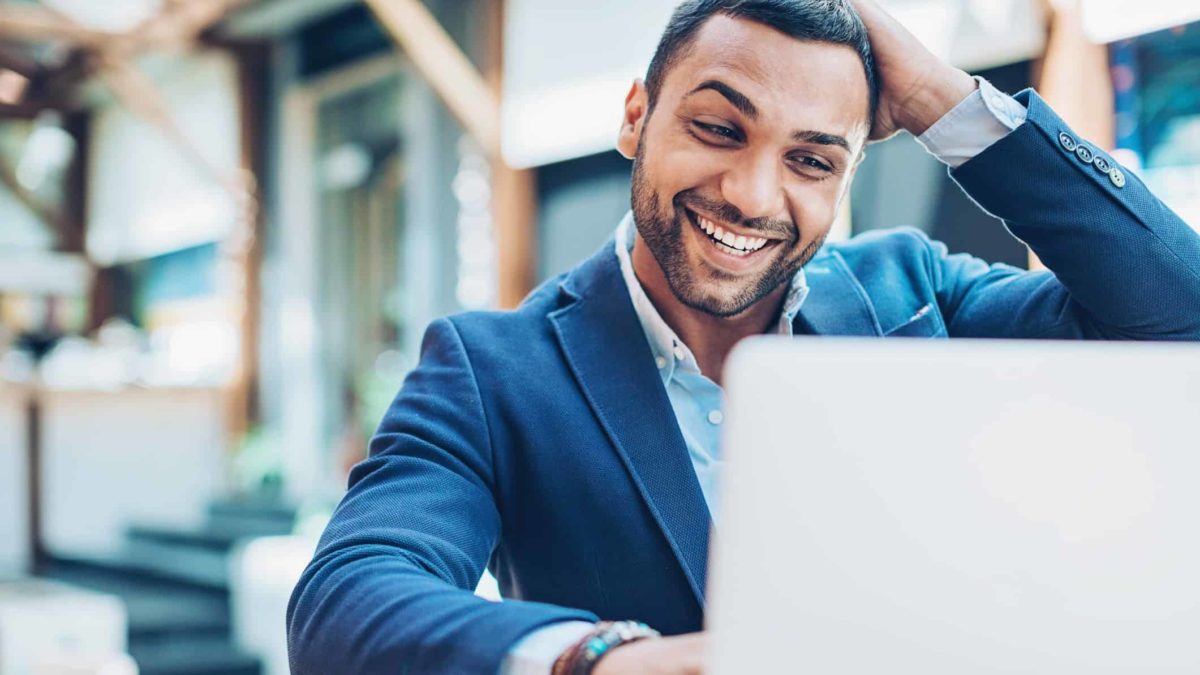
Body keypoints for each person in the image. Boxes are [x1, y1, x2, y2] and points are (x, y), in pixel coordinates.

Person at [287, 0, 1200, 672]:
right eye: (719, 127)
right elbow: (346, 597)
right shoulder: (492, 369)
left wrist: (940, 100)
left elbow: (1178, 312)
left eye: (811, 159)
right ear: (637, 116)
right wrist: (597, 659)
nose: (754, 195)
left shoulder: (916, 293)